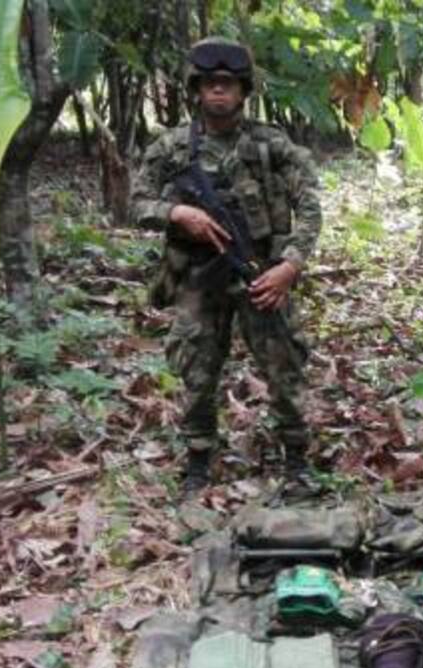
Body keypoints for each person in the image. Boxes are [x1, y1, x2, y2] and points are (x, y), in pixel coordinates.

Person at [131, 38, 323, 496]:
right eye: (210, 84)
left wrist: (290, 266)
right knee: (197, 371)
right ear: (196, 89)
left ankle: (296, 460)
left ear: (243, 91)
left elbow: (310, 206)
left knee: (284, 368)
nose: (219, 91)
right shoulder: (173, 148)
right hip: (199, 278)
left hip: (262, 274)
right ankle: (198, 461)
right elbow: (136, 202)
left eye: (228, 84)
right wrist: (178, 214)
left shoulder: (270, 144)